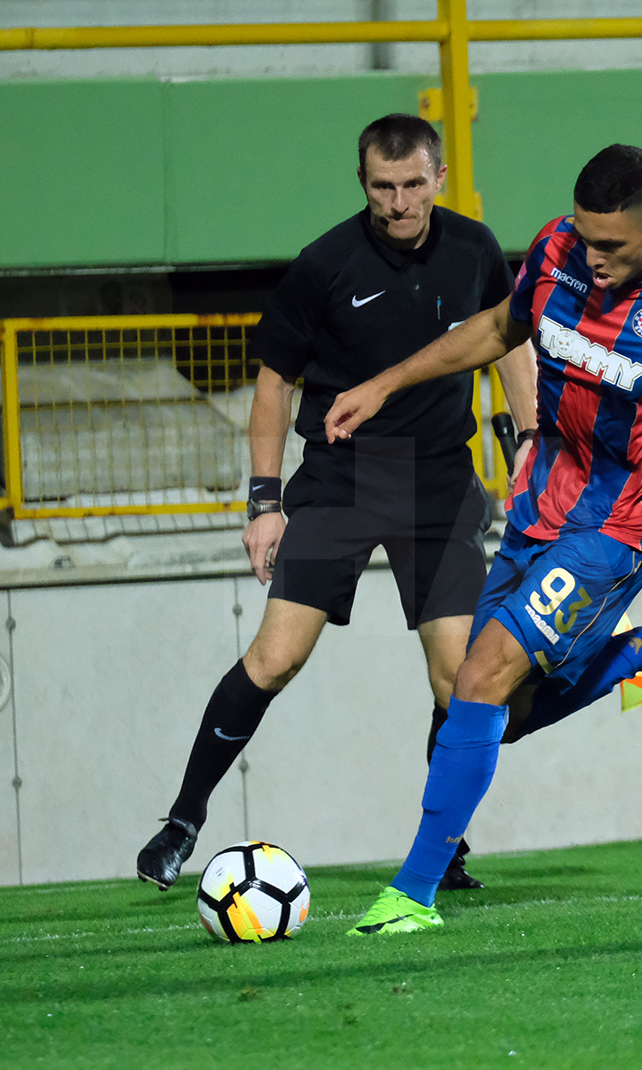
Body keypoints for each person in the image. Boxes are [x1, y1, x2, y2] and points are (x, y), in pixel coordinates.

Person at [327, 144, 642, 934]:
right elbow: (495, 329)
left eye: (610, 245)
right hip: (539, 508)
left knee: (478, 680)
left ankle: (411, 894)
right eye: (585, 237)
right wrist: (382, 384)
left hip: (615, 530)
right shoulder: (556, 251)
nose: (593, 256)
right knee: (485, 715)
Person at [136, 114, 535, 894]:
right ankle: (182, 820)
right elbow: (274, 384)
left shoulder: (476, 249)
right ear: (364, 185)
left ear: (439, 178)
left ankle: (441, 844)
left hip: (440, 484)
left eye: (414, 184)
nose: (399, 203)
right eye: (383, 188)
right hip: (340, 478)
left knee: (461, 681)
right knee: (276, 658)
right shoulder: (324, 265)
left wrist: (529, 440)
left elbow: (509, 340)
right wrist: (264, 501)